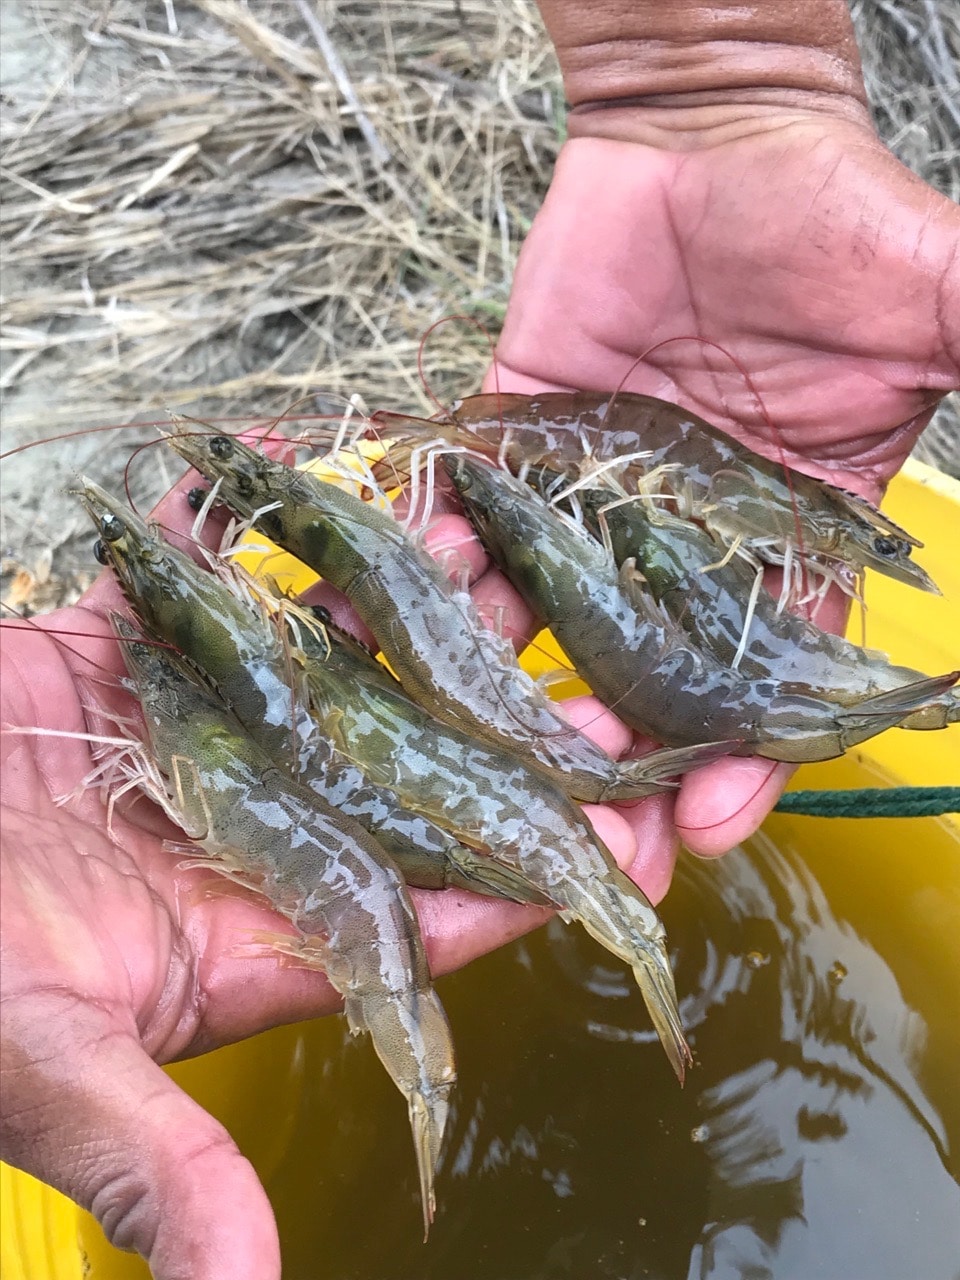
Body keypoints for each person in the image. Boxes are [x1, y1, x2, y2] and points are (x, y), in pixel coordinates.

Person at [1, 2, 957, 1277]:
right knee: (356, 717)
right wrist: (719, 70)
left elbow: (336, 689)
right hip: (412, 779)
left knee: (381, 698)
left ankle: (838, 720)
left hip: (490, 722)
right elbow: (323, 711)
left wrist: (714, 74)